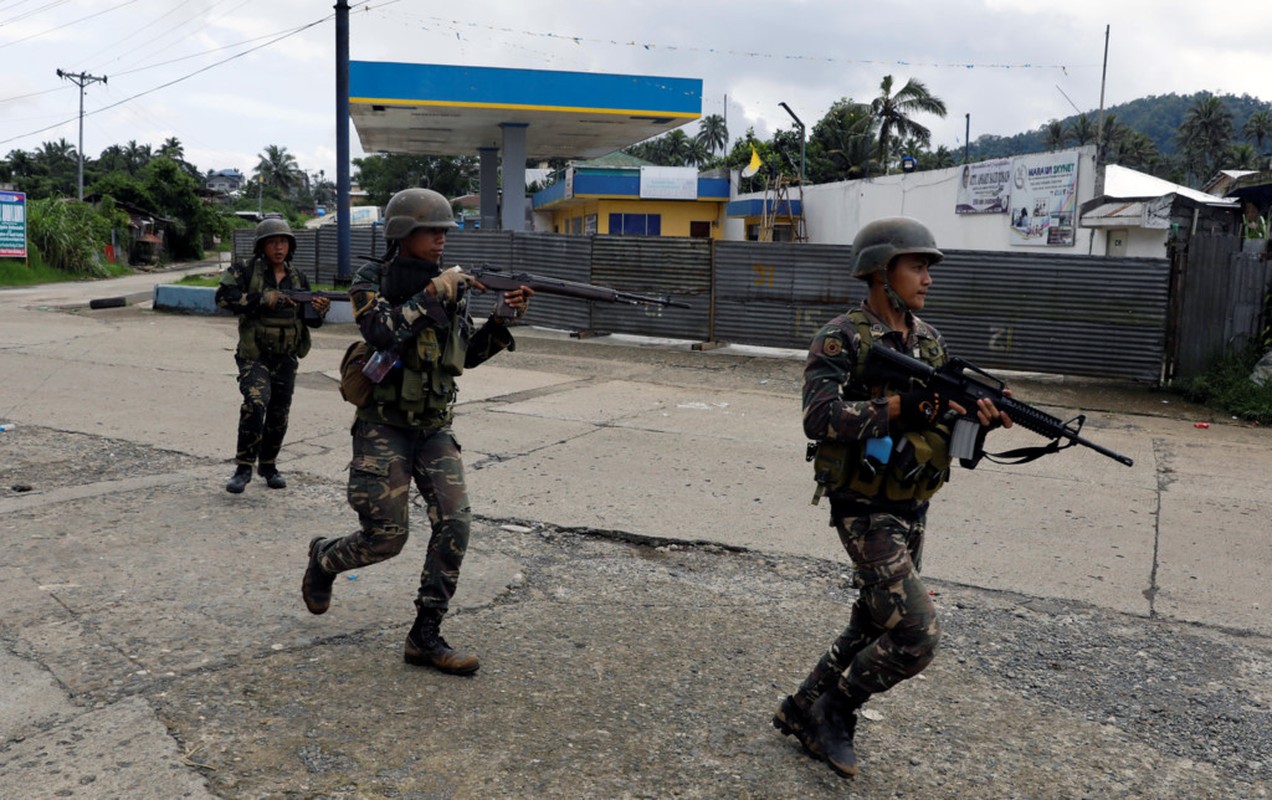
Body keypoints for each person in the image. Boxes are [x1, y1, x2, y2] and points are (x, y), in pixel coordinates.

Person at [773, 216, 1012, 778]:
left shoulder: (929, 341)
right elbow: (819, 418)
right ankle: (836, 711)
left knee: (876, 620)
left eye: (928, 267)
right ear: (883, 271)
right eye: (917, 265)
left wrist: (979, 422)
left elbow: (946, 432)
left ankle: (801, 708)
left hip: (912, 500)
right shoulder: (842, 337)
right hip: (862, 505)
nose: (927, 277)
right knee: (915, 633)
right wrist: (900, 408)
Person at [300, 187, 532, 676]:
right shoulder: (373, 278)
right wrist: (433, 292)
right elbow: (379, 332)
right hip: (384, 426)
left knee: (456, 523)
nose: (441, 240)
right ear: (404, 232)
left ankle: (425, 634)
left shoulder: (454, 284)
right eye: (432, 231)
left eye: (445, 231)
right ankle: (324, 560)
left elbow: (463, 355)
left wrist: (504, 318)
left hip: (433, 426)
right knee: (386, 538)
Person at [216, 218, 330, 494]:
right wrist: (263, 299)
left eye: (283, 242)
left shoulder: (298, 277)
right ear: (262, 246)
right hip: (255, 355)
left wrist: (319, 309)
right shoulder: (245, 270)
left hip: (286, 356)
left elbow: (309, 321)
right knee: (255, 403)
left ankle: (268, 465)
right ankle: (244, 467)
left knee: (279, 413)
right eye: (272, 242)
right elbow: (222, 298)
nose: (278, 247)